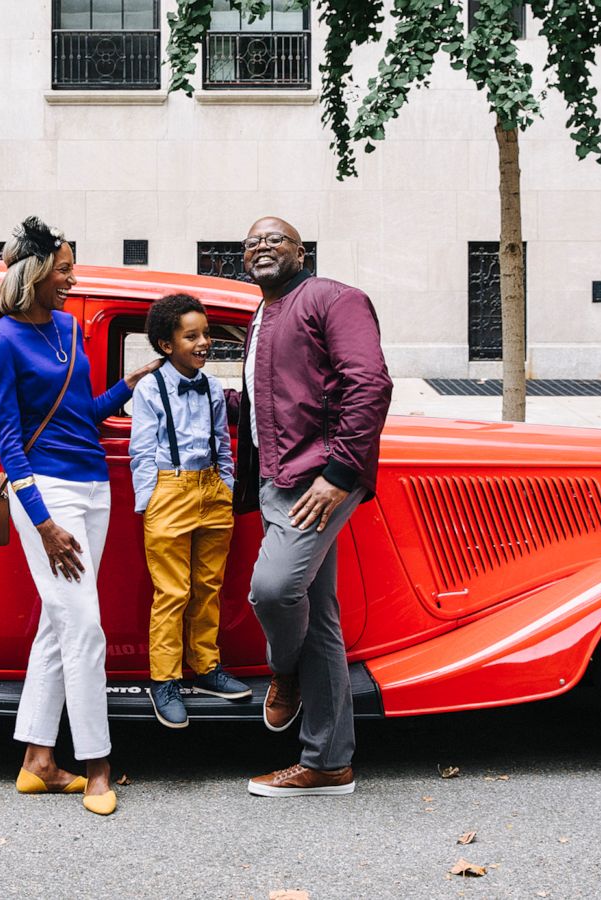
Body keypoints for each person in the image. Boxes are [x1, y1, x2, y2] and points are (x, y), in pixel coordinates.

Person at [0, 216, 162, 816]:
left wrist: (128, 385)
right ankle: (97, 766)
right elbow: (8, 440)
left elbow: (80, 413)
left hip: (94, 487)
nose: (72, 279)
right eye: (64, 270)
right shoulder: (0, 341)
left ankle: (37, 762)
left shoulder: (66, 326)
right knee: (85, 627)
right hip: (49, 493)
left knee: (59, 625)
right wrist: (43, 521)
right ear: (35, 273)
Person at [234, 216, 394, 797]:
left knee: (273, 590)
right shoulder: (259, 316)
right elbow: (273, 400)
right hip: (278, 480)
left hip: (319, 480)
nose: (261, 248)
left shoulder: (335, 298)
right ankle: (328, 762)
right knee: (320, 617)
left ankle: (283, 672)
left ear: (303, 251)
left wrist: (340, 474)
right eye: (251, 243)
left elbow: (369, 383)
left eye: (275, 239)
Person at [129, 293, 250, 730]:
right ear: (167, 345)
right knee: (172, 592)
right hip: (170, 490)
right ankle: (165, 679)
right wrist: (151, 503)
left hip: (212, 491)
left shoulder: (213, 386)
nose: (204, 342)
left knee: (209, 586)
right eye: (191, 336)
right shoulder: (149, 387)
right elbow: (141, 450)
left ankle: (206, 667)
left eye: (206, 334)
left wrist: (227, 485)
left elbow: (221, 440)